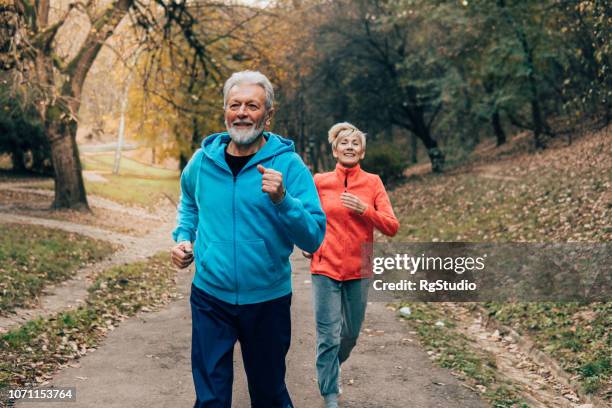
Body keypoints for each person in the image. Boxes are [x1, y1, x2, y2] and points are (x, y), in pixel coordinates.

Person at [171, 70, 326, 408]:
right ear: (225, 111)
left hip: (267, 301)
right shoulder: (202, 162)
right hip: (210, 297)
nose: (242, 112)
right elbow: (188, 203)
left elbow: (313, 237)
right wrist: (184, 238)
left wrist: (284, 199)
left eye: (252, 106)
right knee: (210, 398)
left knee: (269, 394)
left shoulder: (289, 166)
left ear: (267, 115)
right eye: (234, 105)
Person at [304, 122, 399, 408]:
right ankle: (330, 393)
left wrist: (365, 209)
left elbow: (392, 226)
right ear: (334, 150)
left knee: (350, 334)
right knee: (328, 335)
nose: (349, 146)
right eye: (344, 142)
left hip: (359, 269)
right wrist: (310, 244)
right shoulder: (320, 181)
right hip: (325, 267)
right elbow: (306, 217)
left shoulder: (373, 183)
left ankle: (332, 365)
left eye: (355, 143)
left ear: (363, 152)